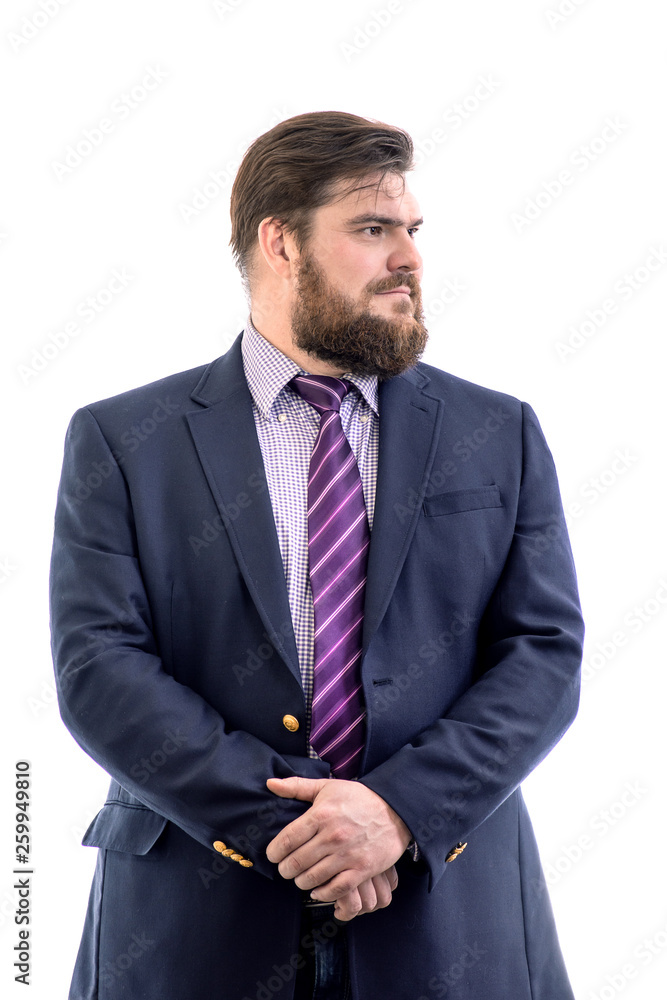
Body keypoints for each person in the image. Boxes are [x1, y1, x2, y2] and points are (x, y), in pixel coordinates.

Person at [50, 110, 584, 1000]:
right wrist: (301, 829)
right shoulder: (124, 439)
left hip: (448, 917)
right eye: (371, 230)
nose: (408, 258)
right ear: (281, 243)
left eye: (411, 230)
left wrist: (397, 813)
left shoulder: (499, 432)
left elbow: (543, 657)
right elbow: (99, 668)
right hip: (194, 922)